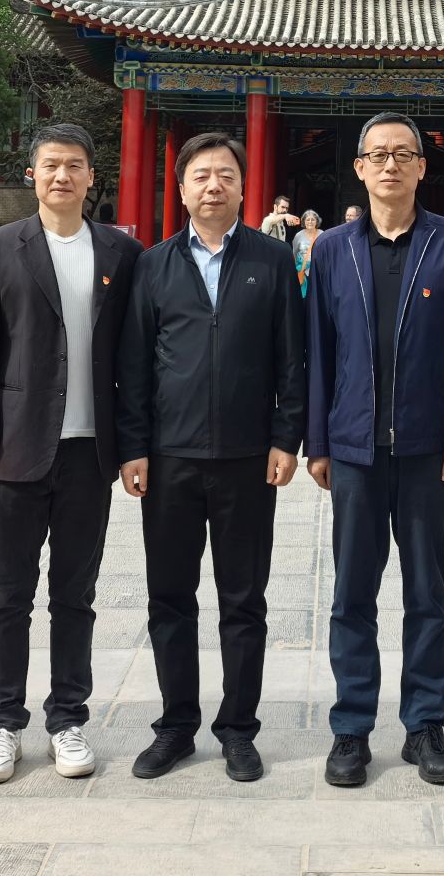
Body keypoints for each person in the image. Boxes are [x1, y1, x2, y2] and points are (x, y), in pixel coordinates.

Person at [116, 132, 307, 782]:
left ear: (244, 187)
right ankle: (176, 726)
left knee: (243, 600)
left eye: (225, 174)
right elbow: (134, 364)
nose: (213, 186)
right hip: (170, 459)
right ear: (181, 189)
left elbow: (292, 357)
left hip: (248, 459)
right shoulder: (154, 264)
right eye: (201, 176)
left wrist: (286, 437)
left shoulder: (271, 260)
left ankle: (238, 729)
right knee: (170, 597)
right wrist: (134, 447)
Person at [306, 111, 444, 788]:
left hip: (425, 450)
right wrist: (319, 441)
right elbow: (319, 350)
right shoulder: (332, 249)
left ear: (421, 167)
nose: (390, 165)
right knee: (352, 594)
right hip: (353, 450)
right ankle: (351, 728)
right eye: (377, 155)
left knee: (427, 593)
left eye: (402, 154)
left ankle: (425, 725)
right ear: (358, 168)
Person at [0, 124, 142, 785]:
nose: (62, 176)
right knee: (8, 593)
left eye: (74, 166)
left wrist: (134, 444)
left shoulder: (121, 251)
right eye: (50, 165)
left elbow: (131, 354)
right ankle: (2, 723)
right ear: (31, 175)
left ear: (92, 176)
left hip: (89, 452)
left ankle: (68, 717)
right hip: (17, 447)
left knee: (75, 594)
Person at [292, 209, 323, 296]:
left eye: (313, 220)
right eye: (308, 220)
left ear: (317, 221)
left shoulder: (322, 234)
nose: (310, 222)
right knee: (302, 295)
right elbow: (294, 253)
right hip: (302, 270)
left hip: (318, 269)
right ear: (304, 222)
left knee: (316, 294)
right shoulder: (298, 235)